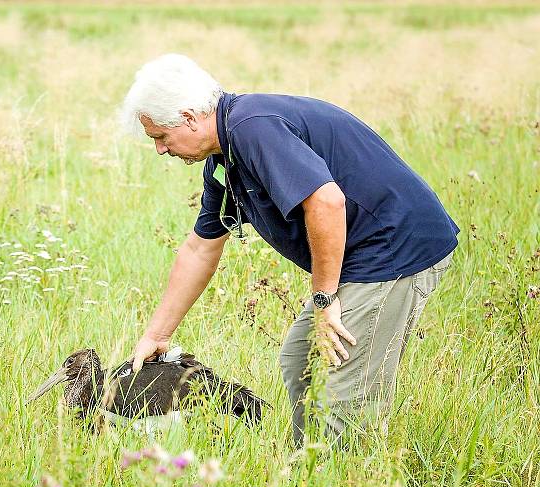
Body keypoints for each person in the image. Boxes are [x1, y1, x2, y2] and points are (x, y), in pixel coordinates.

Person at [120, 54, 459, 446]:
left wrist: (324, 298)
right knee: (301, 360)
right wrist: (157, 334)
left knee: (344, 390)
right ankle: (309, 473)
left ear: (189, 117)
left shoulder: (253, 129)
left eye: (160, 136)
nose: (161, 150)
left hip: (394, 247)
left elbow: (326, 202)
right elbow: (200, 248)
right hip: (363, 252)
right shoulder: (223, 159)